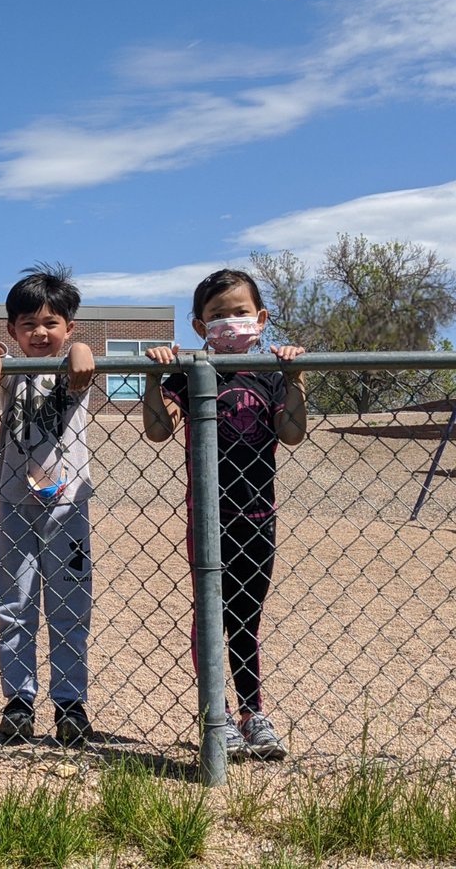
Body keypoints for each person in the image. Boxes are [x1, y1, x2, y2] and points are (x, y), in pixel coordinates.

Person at [142, 268, 306, 760]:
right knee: (211, 615)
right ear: (199, 326)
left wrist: (295, 377)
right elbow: (157, 429)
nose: (230, 323)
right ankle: (216, 713)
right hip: (207, 517)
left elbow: (293, 433)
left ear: (260, 318)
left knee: (247, 617)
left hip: (258, 513)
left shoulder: (271, 373)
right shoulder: (191, 371)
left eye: (239, 313)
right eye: (217, 316)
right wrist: (155, 377)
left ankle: (252, 712)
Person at [0, 263, 97, 746]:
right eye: (29, 324)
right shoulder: (9, 372)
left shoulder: (76, 368)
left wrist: (83, 349)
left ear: (69, 327)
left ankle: (70, 704)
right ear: (13, 329)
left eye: (51, 323)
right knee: (14, 603)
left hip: (68, 506)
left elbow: (84, 366)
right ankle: (19, 703)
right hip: (14, 503)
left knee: (70, 603)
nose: (40, 332)